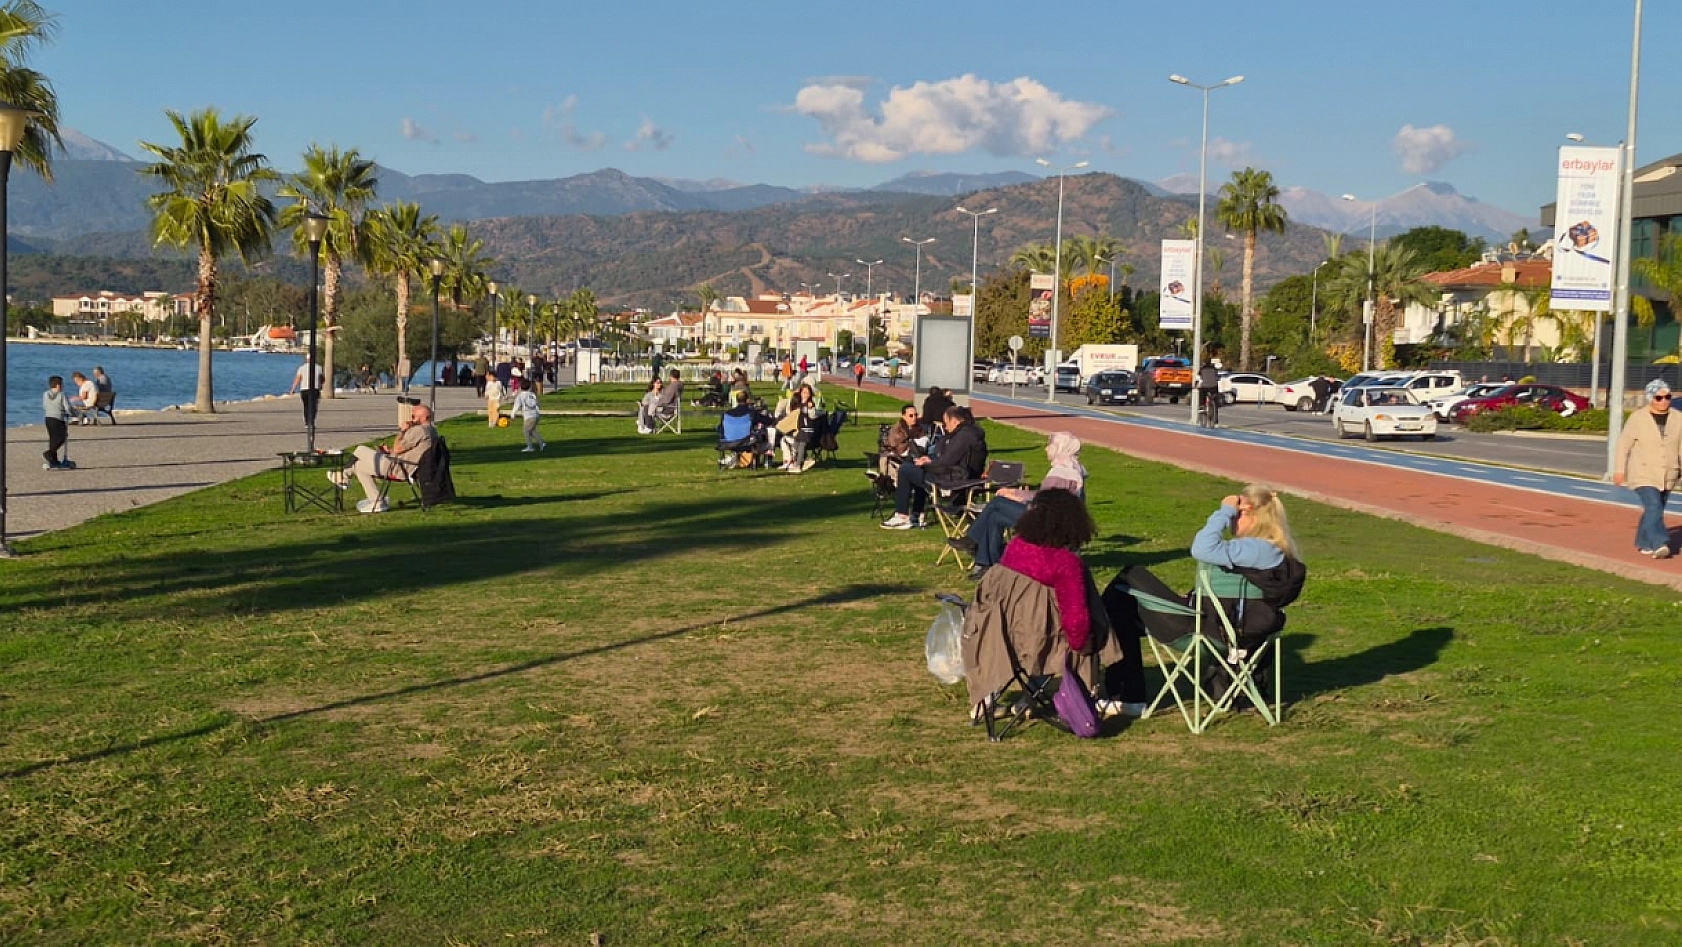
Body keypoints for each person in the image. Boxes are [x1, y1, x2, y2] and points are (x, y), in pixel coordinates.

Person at [1100, 485, 1303, 717]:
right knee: (1123, 611)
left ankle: (1126, 693)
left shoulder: (1252, 548)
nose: (1232, 522)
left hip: (1202, 632)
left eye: (1237, 515)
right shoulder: (1275, 552)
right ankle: (1124, 690)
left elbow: (1202, 548)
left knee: (1129, 578)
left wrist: (1224, 510)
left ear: (1253, 516)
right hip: (1237, 633)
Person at [950, 432, 1086, 581]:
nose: (1046, 449)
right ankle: (987, 563)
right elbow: (1045, 497)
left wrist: (1016, 496)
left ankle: (973, 539)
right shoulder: (1072, 470)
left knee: (998, 502)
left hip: (1046, 523)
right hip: (1049, 518)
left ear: (1059, 448)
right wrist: (1015, 492)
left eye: (1049, 446)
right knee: (995, 517)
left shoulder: (1060, 474)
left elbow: (1043, 501)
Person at [997, 488, 1099, 653]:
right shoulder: (1065, 563)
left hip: (1004, 626)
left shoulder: (1015, 546)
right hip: (1041, 637)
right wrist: (1080, 645)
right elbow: (1075, 620)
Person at [882, 405, 987, 529]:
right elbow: (949, 457)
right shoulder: (967, 433)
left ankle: (902, 516)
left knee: (906, 470)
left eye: (946, 423)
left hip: (953, 481)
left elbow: (947, 461)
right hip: (956, 475)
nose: (945, 427)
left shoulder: (964, 436)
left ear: (955, 421)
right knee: (914, 468)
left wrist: (928, 464)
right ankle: (916, 514)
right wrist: (930, 459)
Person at [1612, 378, 1682, 559]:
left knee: (1655, 509)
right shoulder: (1638, 418)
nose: (1664, 401)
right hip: (1643, 473)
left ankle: (1643, 542)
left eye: (1667, 397)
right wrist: (1619, 469)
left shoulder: (1678, 418)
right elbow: (1623, 445)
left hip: (1668, 473)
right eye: (1659, 397)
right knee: (1653, 506)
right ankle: (1660, 542)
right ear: (1651, 398)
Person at [330, 403, 437, 514]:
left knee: (360, 449)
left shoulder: (420, 431)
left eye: (414, 417)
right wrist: (388, 451)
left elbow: (397, 448)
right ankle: (376, 501)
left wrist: (403, 431)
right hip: (403, 464)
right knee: (359, 466)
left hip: (399, 468)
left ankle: (343, 476)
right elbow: (405, 450)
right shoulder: (431, 431)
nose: (412, 420)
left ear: (425, 418)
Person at [779, 383, 823, 473]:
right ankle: (798, 462)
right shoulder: (798, 404)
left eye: (807, 393)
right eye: (804, 392)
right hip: (800, 430)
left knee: (802, 445)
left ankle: (798, 466)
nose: (806, 395)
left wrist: (811, 409)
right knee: (796, 445)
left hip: (808, 430)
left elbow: (813, 415)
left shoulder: (810, 404)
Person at [42, 375, 75, 470]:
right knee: (62, 437)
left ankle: (53, 460)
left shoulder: (45, 394)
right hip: (58, 419)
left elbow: (44, 405)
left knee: (53, 439)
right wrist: (73, 414)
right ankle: (49, 453)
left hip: (48, 418)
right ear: (58, 385)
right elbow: (67, 407)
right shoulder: (62, 395)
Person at [510, 381, 546, 453]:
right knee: (532, 431)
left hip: (529, 417)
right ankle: (542, 443)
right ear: (529, 387)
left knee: (526, 431)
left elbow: (516, 406)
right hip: (536, 415)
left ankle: (530, 447)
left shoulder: (520, 396)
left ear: (520, 387)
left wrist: (513, 414)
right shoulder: (532, 395)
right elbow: (537, 404)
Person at [290, 358, 326, 429]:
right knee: (313, 406)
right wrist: (320, 385)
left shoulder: (302, 368)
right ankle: (311, 422)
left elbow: (298, 378)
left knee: (306, 406)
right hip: (314, 389)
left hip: (304, 389)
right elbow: (322, 379)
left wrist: (293, 389)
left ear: (306, 359)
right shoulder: (319, 367)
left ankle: (307, 422)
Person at [1197, 356, 1221, 424]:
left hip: (1204, 386)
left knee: (1201, 395)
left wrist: (1196, 385)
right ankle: (1215, 419)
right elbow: (1217, 377)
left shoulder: (1202, 369)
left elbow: (1199, 378)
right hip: (1213, 386)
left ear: (1204, 362)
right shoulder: (1214, 369)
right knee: (1215, 399)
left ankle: (1201, 406)